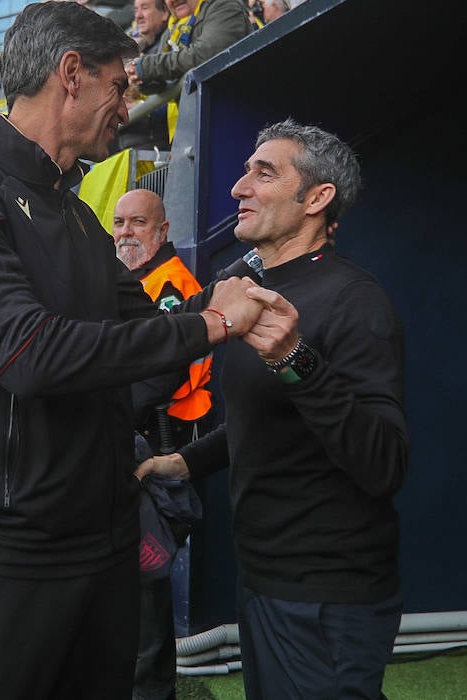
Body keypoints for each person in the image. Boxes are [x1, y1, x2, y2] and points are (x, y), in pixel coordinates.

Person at [0, 0, 298, 699]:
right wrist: (213, 324)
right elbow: (26, 353)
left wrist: (243, 304)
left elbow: (152, 339)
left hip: (102, 542)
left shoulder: (79, 217)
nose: (127, 105)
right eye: (121, 85)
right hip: (1, 555)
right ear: (72, 74)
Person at [136, 120, 409, 699]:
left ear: (316, 198)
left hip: (328, 591)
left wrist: (296, 359)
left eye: (264, 173)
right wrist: (183, 464)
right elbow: (264, 422)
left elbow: (384, 463)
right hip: (263, 574)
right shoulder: (239, 282)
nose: (239, 188)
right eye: (244, 171)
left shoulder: (355, 301)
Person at [111, 189, 214, 700]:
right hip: (133, 445)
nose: (125, 232)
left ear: (163, 230)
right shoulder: (129, 280)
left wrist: (106, 419)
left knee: (147, 585)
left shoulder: (171, 284)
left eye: (137, 222)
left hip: (157, 450)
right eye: (119, 222)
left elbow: (161, 367)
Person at [124, 0, 253, 146]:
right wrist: (142, 78)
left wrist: (148, 66)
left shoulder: (223, 6)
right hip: (191, 129)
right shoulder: (173, 27)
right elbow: (165, 80)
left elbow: (206, 54)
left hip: (231, 117)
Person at [115, 0, 171, 152]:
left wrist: (135, 106)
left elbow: (175, 100)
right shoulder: (138, 52)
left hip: (157, 150)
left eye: (145, 8)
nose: (138, 15)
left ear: (165, 13)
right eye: (136, 10)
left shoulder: (169, 50)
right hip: (129, 148)